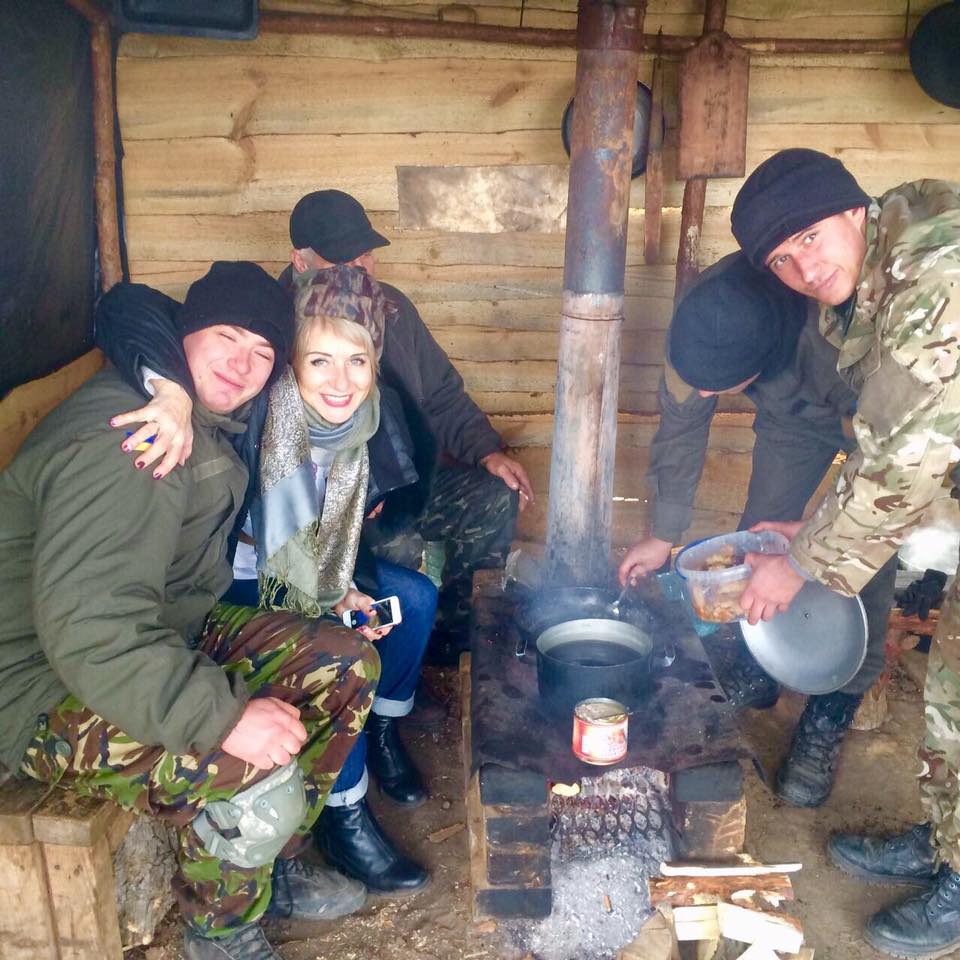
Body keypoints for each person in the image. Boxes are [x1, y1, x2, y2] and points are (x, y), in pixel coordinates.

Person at [0, 261, 381, 960]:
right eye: (226, 337)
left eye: (262, 351)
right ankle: (221, 929)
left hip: (152, 638)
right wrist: (226, 717)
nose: (242, 364)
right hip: (43, 691)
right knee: (261, 772)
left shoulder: (196, 414)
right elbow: (91, 633)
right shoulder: (136, 439)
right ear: (185, 334)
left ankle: (265, 864)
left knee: (344, 662)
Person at [729, 148, 960, 958]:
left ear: (854, 209)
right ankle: (947, 844)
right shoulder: (874, 280)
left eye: (809, 238)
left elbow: (905, 461)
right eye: (782, 260)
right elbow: (883, 441)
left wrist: (802, 564)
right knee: (952, 695)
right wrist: (811, 526)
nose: (804, 268)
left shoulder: (936, 275)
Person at [617, 252, 897, 807]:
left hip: (881, 429)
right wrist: (663, 533)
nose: (705, 393)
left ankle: (833, 709)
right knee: (759, 535)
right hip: (793, 419)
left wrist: (818, 546)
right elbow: (683, 419)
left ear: (763, 360)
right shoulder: (703, 319)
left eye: (719, 386)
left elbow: (891, 481)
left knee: (862, 559)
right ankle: (761, 666)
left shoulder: (847, 327)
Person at [222, 264, 437, 893]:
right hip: (240, 583)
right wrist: (170, 397)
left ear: (375, 363)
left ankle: (383, 730)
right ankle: (344, 816)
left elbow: (350, 525)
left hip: (319, 574)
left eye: (356, 360)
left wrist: (343, 587)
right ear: (292, 361)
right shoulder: (258, 412)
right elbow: (130, 312)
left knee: (416, 597)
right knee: (342, 653)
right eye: (320, 361)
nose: (340, 382)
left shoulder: (364, 421)